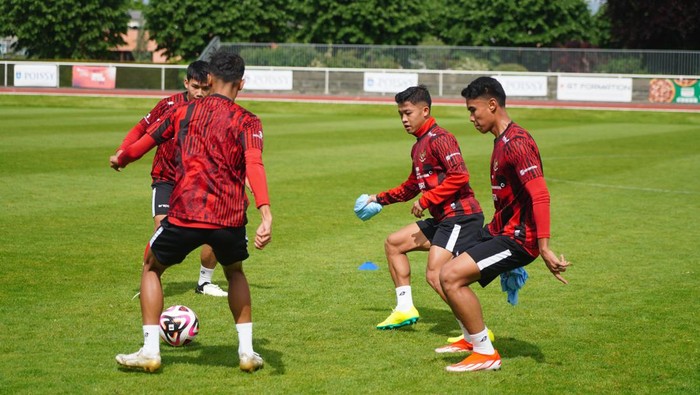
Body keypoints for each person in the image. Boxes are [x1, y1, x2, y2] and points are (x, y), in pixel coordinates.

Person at [111, 50, 272, 373]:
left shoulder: (181, 112)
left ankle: (150, 351)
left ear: (208, 79)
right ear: (241, 83)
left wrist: (122, 158)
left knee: (152, 268)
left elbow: (145, 143)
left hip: (185, 212)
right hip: (228, 218)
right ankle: (246, 353)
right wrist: (265, 212)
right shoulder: (248, 120)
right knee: (235, 272)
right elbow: (254, 164)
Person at [437, 76, 570, 372]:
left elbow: (541, 194)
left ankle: (485, 353)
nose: (471, 117)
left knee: (450, 276)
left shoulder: (517, 143)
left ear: (493, 105)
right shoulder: (502, 141)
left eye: (474, 110)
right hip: (502, 230)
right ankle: (472, 339)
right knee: (443, 269)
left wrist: (544, 247)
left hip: (520, 239)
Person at [366, 85, 485, 333]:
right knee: (394, 243)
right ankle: (405, 308)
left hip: (461, 217)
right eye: (400, 114)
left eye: (408, 113)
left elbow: (460, 175)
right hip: (444, 219)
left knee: (436, 274)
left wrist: (427, 199)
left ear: (425, 110)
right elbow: (412, 186)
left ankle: (475, 332)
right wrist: (378, 198)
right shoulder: (418, 145)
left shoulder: (441, 138)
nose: (404, 119)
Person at [114, 60, 228, 298]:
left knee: (215, 228)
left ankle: (204, 282)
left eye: (205, 88)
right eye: (195, 86)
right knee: (163, 230)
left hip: (198, 181)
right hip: (166, 178)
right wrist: (122, 152)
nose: (199, 93)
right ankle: (150, 278)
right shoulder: (168, 105)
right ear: (186, 83)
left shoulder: (216, 111)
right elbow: (140, 129)